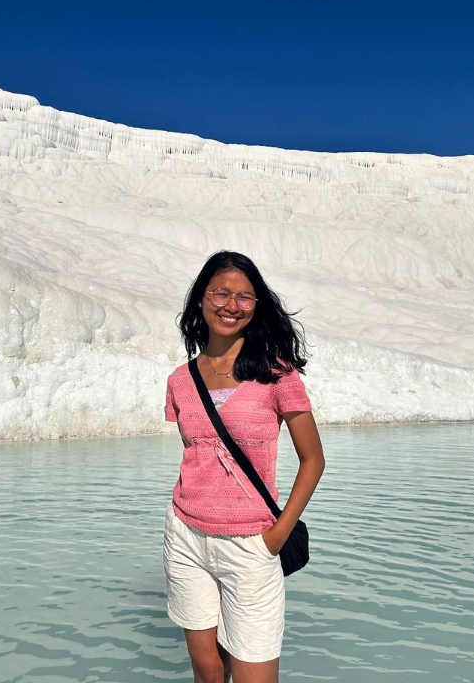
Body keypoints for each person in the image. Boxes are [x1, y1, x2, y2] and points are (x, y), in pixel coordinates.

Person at [163, 250, 325, 683]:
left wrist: (275, 536)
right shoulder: (180, 380)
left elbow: (313, 459)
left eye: (244, 297)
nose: (231, 305)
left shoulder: (277, 375)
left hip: (252, 544)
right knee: (208, 672)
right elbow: (199, 456)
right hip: (186, 538)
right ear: (201, 298)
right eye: (221, 293)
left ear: (256, 305)